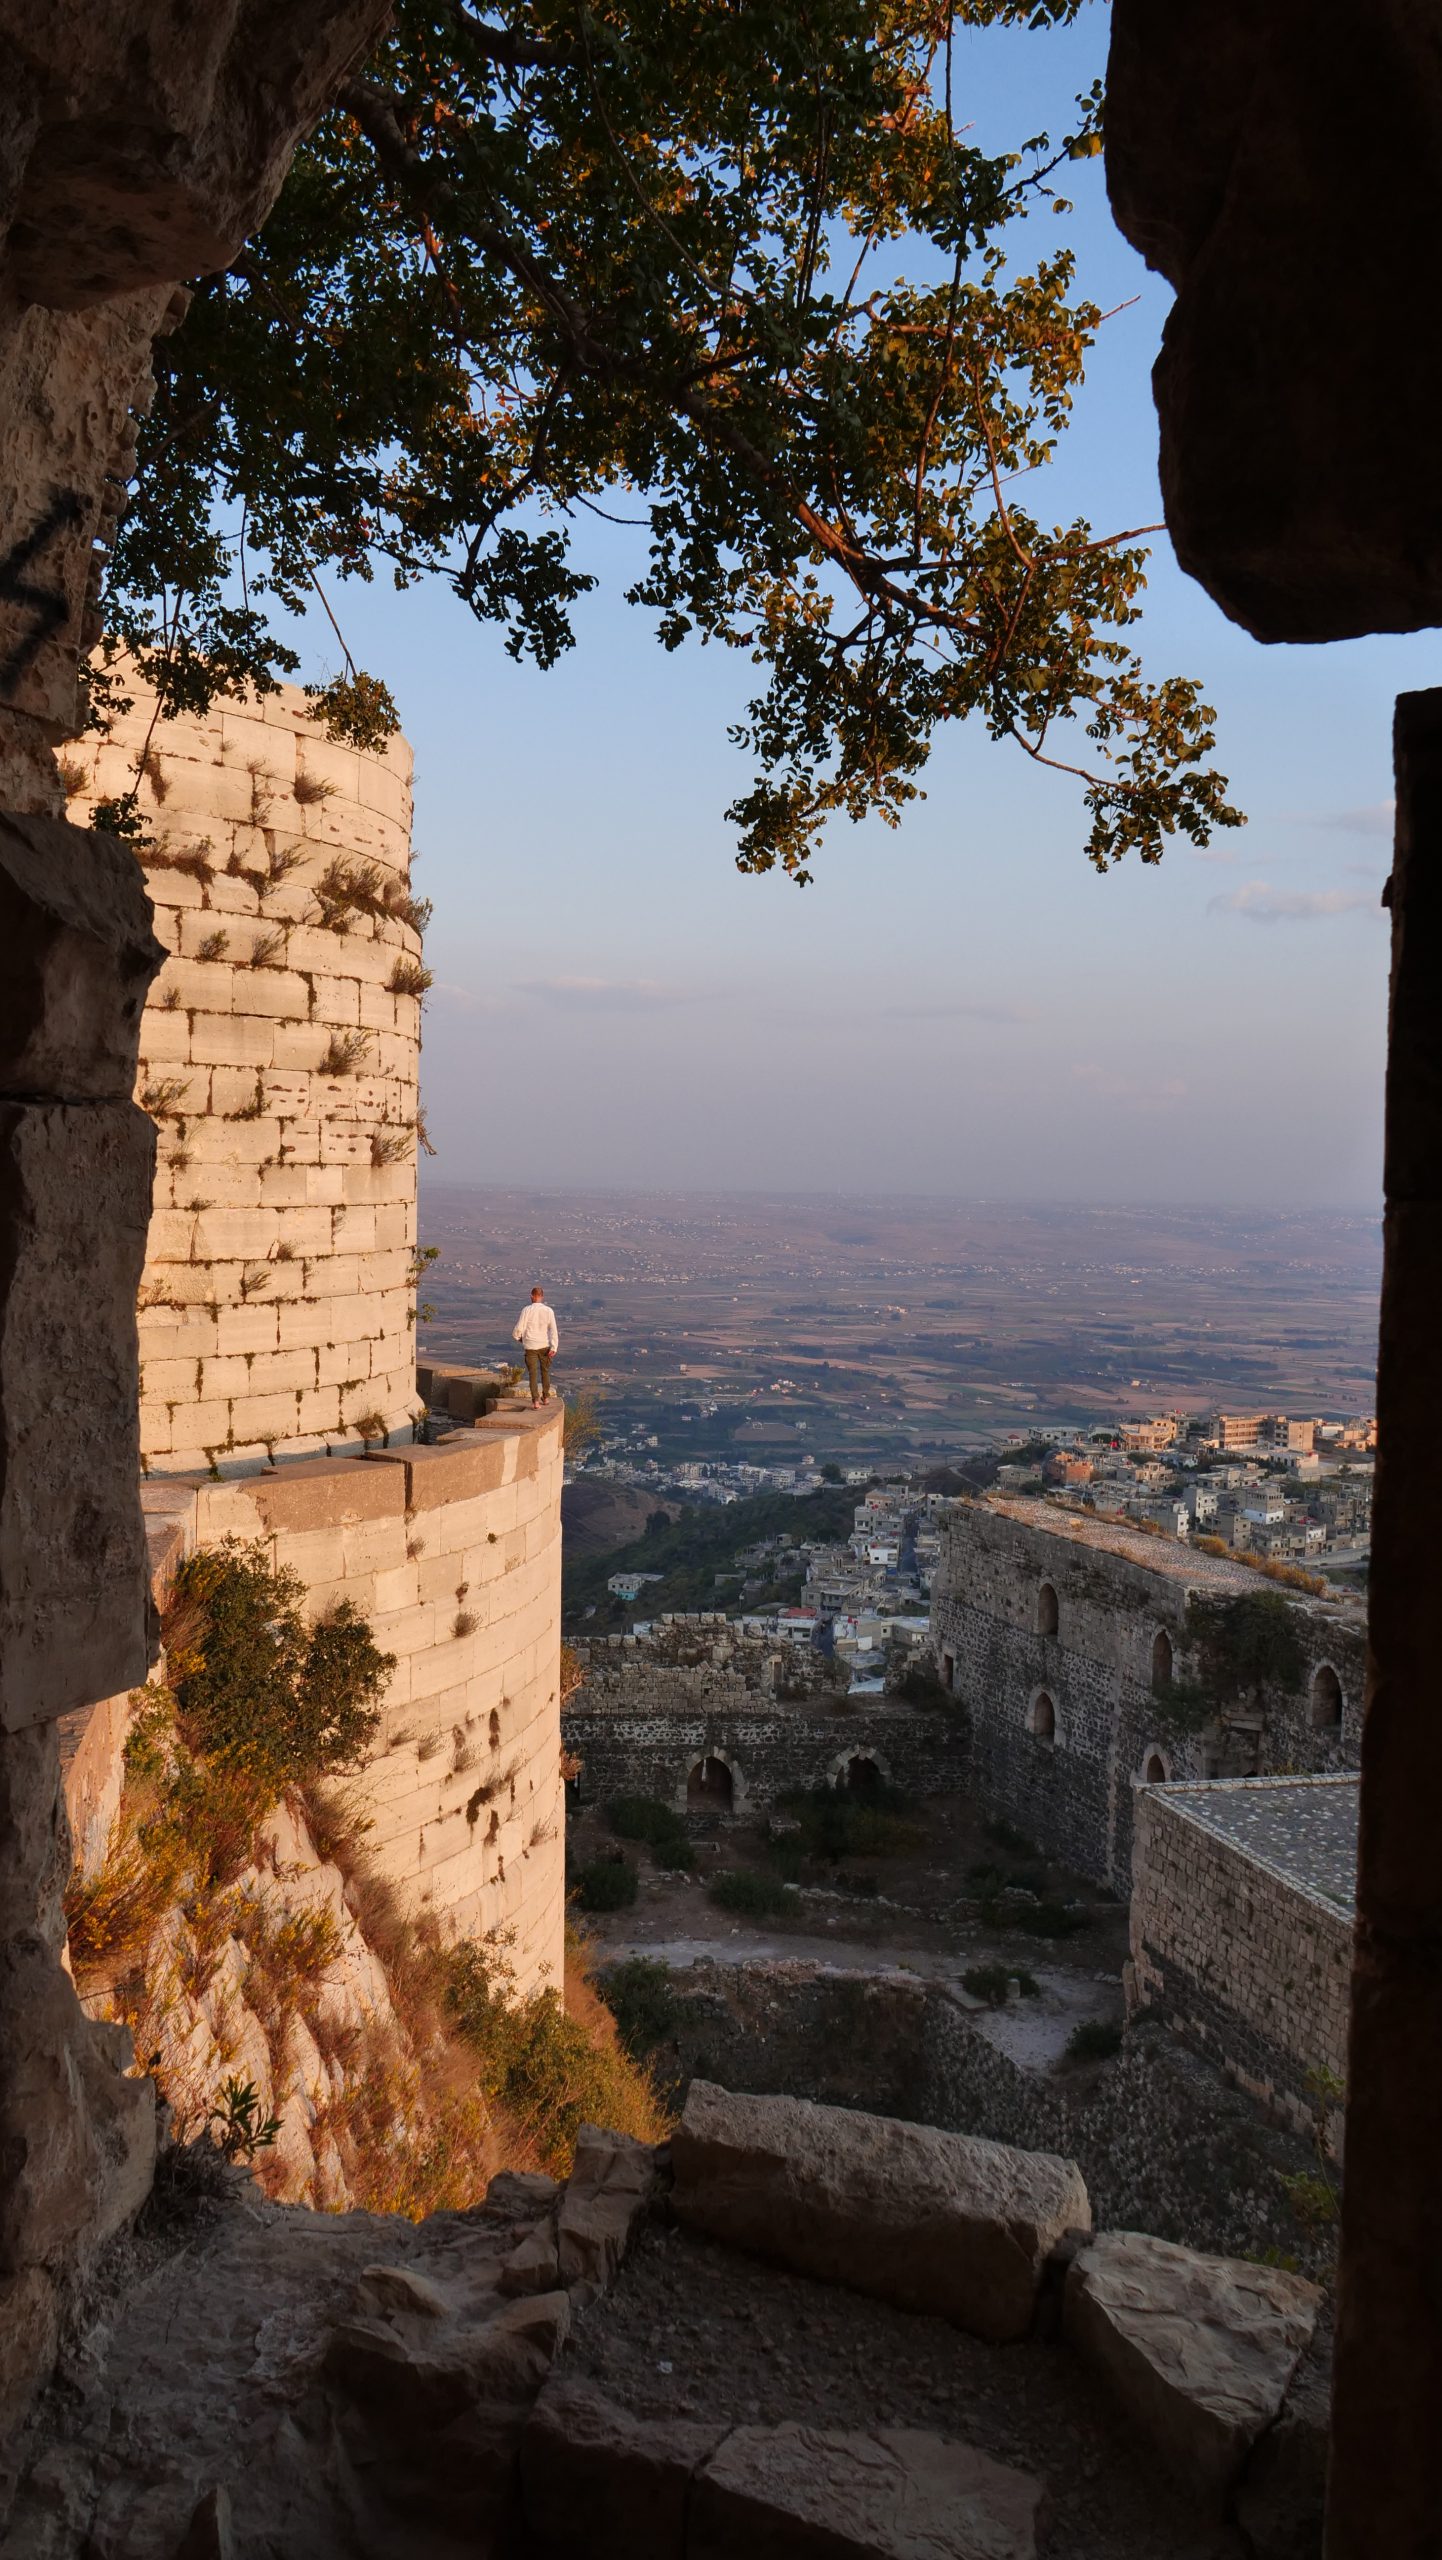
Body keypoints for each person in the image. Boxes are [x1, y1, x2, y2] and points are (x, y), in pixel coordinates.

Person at [513, 1285, 558, 1405]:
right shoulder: (549, 1311)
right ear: (542, 1297)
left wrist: (519, 1338)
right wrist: (554, 1347)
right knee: (545, 1372)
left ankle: (535, 1401)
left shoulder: (526, 1310)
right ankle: (546, 1397)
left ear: (531, 1296)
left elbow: (519, 1328)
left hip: (530, 1346)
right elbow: (553, 1330)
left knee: (533, 1374)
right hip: (544, 1345)